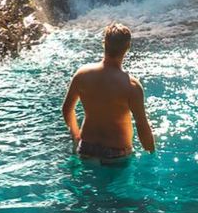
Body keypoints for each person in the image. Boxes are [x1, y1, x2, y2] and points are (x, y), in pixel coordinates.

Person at [61, 22, 156, 163]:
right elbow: (142, 126)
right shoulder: (131, 85)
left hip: (86, 148)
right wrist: (152, 154)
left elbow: (66, 109)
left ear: (103, 43)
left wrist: (75, 136)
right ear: (127, 47)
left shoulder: (82, 74)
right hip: (117, 152)